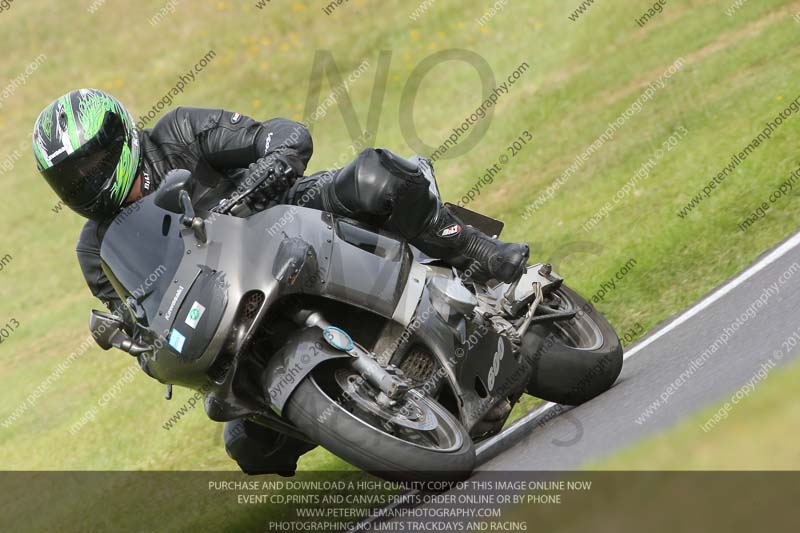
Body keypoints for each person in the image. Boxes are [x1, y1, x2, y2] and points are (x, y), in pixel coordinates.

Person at [32, 88, 529, 476]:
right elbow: (140, 318)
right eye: (70, 179)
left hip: (290, 221)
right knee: (248, 446)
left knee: (374, 177)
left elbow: (281, 134)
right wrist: (141, 345)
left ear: (119, 141)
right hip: (227, 305)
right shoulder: (95, 249)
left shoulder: (179, 131)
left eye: (92, 165)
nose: (85, 182)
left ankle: (475, 250)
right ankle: (358, 415)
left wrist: (271, 164)